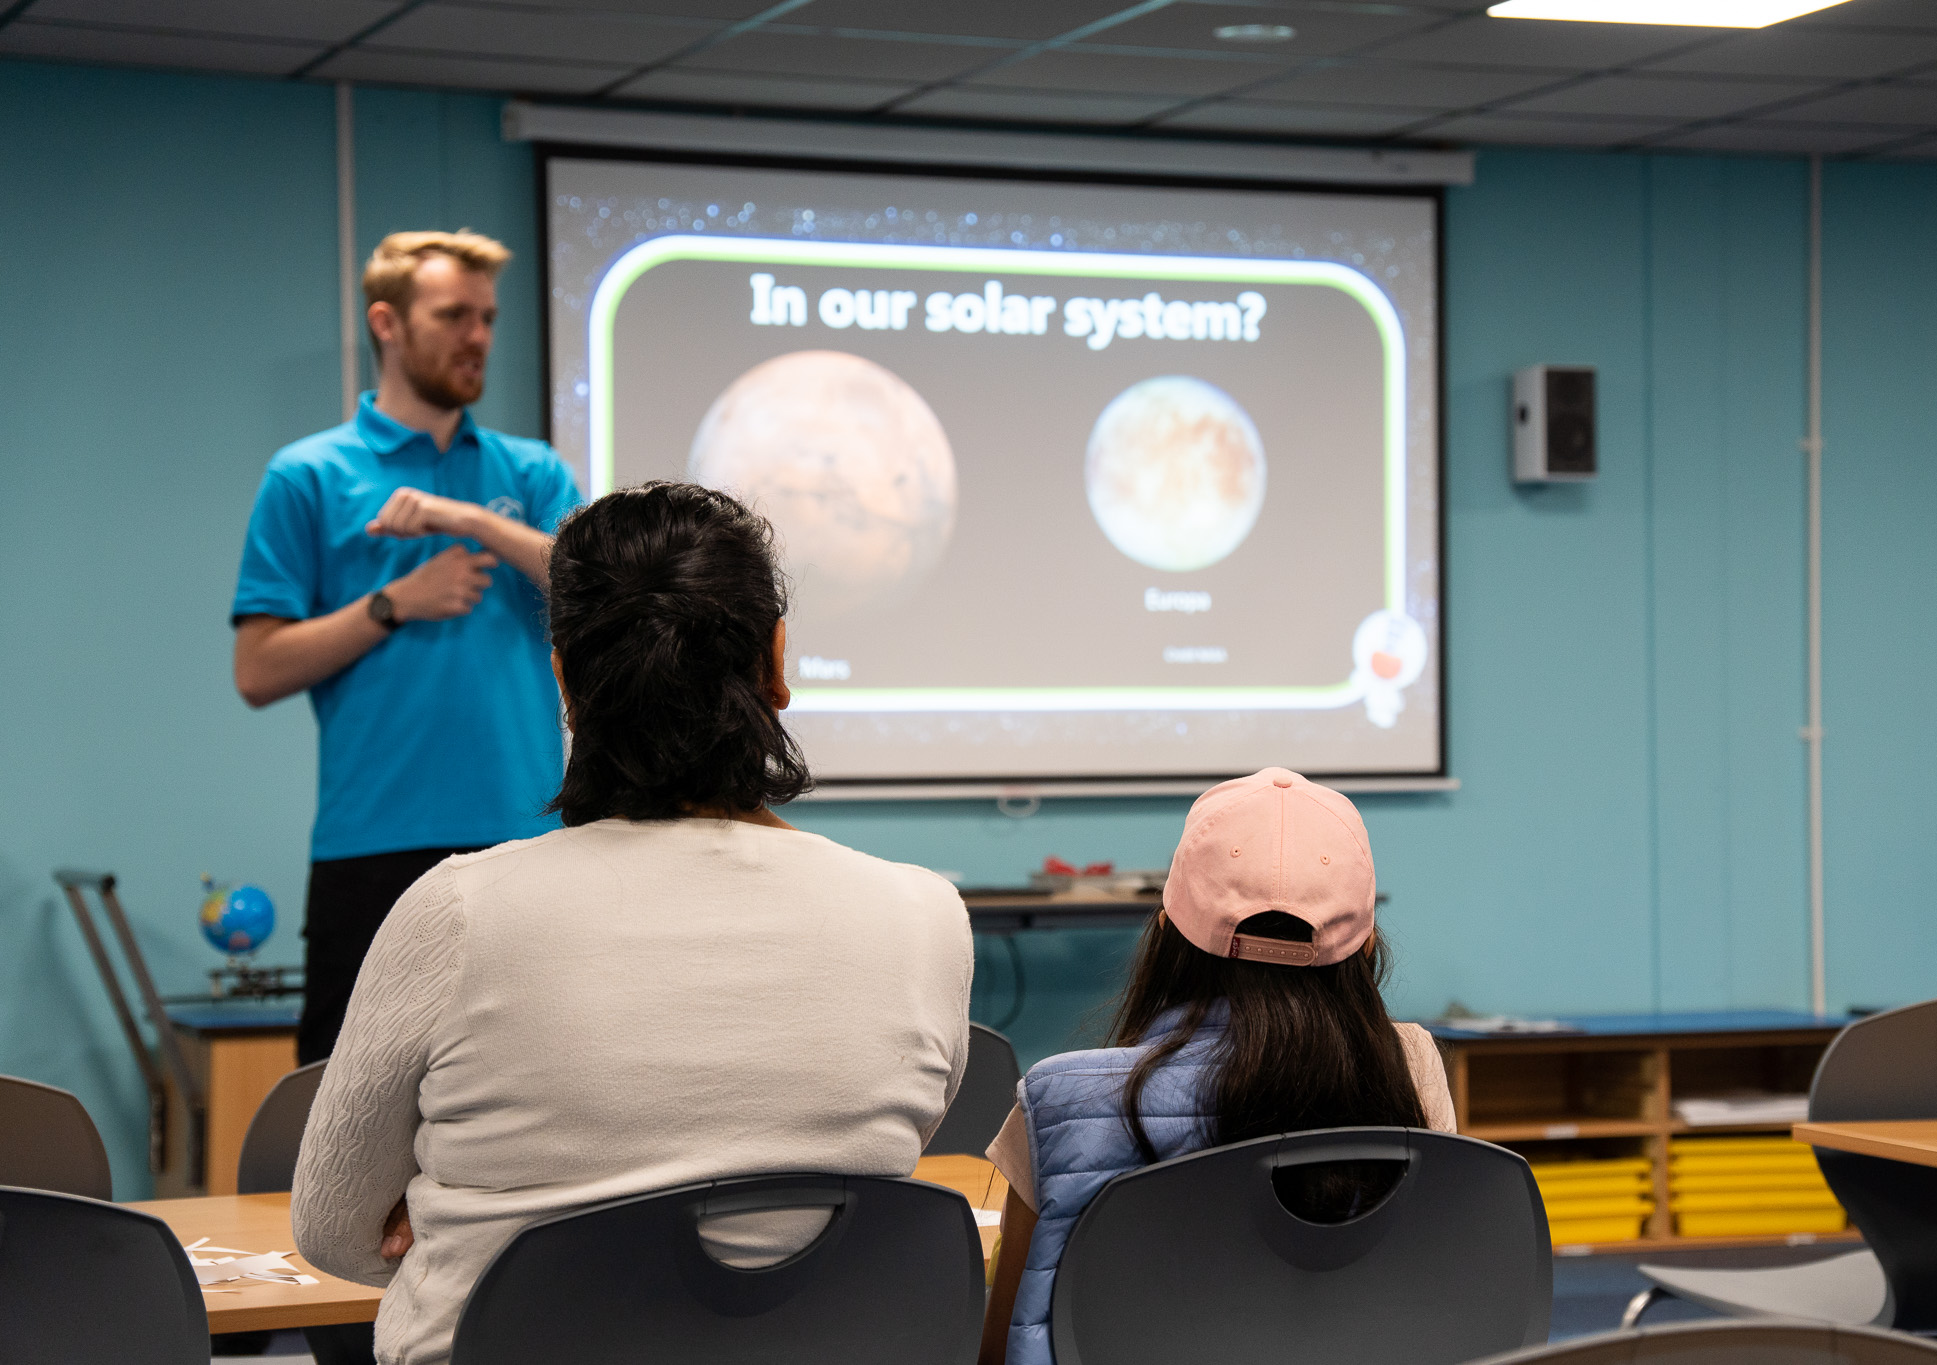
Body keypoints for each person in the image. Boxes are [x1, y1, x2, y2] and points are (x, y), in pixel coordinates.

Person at [291, 481, 974, 1365]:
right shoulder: (923, 917)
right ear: (774, 662)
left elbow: (334, 1230)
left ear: (565, 677)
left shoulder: (457, 912)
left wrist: (480, 1228)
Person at [230, 230, 582, 1064]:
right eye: (454, 314)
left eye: (488, 317)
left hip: (522, 839)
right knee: (341, 1098)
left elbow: (596, 582)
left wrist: (468, 520)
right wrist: (394, 603)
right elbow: (257, 669)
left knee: (537, 1084)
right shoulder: (306, 476)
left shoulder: (528, 472)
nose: (477, 336)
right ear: (386, 323)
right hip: (372, 846)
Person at [978, 768, 1457, 1365]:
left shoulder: (1061, 1100)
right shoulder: (1409, 1065)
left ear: (1165, 932)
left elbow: (1006, 1342)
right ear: (1365, 946)